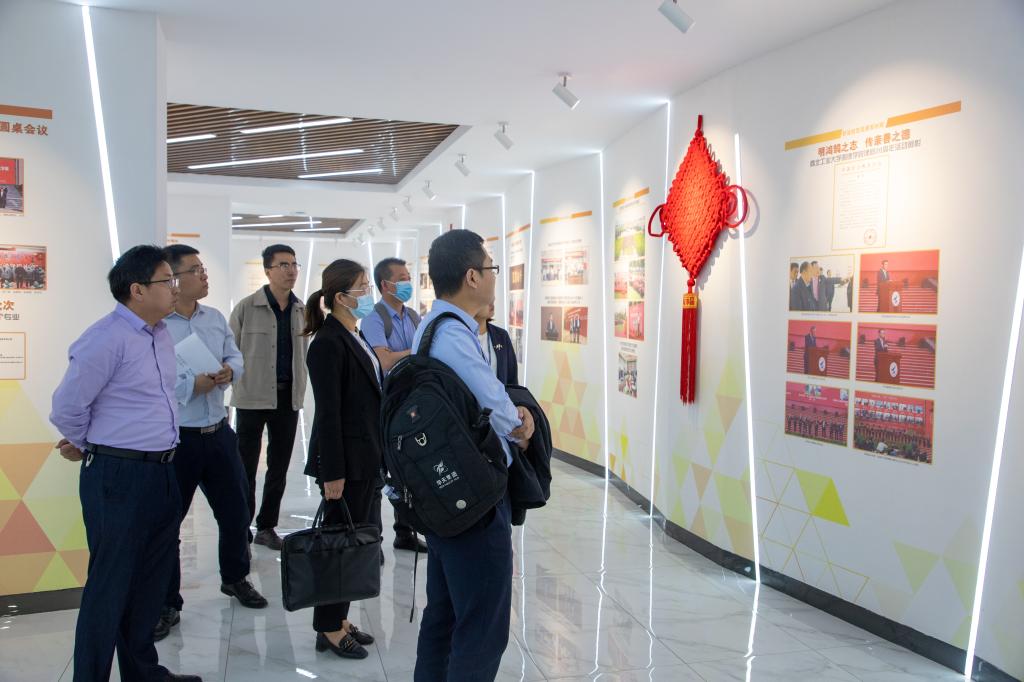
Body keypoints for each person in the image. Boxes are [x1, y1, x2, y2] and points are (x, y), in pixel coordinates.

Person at [50, 245, 201, 682]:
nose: (175, 289)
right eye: (167, 281)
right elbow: (67, 407)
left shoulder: (161, 334)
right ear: (137, 290)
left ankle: (142, 672)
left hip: (163, 471)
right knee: (109, 587)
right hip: (118, 477)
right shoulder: (105, 338)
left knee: (149, 585)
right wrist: (92, 445)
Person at [412, 230, 535, 682]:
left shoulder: (432, 326)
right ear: (472, 277)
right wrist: (522, 425)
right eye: (491, 268)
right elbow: (497, 407)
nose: (494, 277)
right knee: (482, 628)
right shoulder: (453, 335)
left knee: (445, 617)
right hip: (473, 501)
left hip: (446, 493)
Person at [154, 245, 267, 643]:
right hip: (177, 439)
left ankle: (235, 578)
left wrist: (228, 372)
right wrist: (192, 386)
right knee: (169, 523)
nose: (204, 275)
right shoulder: (157, 327)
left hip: (218, 432)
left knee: (236, 512)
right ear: (174, 279)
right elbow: (154, 381)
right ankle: (167, 602)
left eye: (204, 268)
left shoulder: (215, 318)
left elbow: (235, 357)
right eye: (196, 270)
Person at [303, 259, 383, 660]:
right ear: (340, 297)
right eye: (362, 288)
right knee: (339, 545)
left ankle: (340, 617)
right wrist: (332, 473)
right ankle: (329, 627)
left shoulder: (355, 333)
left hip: (366, 457)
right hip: (345, 464)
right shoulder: (327, 343)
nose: (368, 295)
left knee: (354, 542)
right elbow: (329, 414)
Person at [230, 244, 308, 550]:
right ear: (267, 271)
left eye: (294, 264)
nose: (291, 271)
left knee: (279, 468)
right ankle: (241, 527)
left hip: (288, 399)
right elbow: (230, 351)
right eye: (283, 265)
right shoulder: (247, 308)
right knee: (245, 469)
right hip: (252, 397)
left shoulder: (302, 310)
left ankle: (267, 526)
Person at [360, 257, 426, 554]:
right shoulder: (374, 319)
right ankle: (373, 540)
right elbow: (384, 361)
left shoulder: (412, 316)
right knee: (382, 471)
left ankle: (406, 532)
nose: (408, 282)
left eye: (408, 276)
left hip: (415, 402)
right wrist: (414, 353)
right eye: (402, 278)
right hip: (387, 404)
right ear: (386, 285)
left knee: (410, 468)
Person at [474, 301, 518, 385]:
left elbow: (512, 379)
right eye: (486, 298)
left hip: (501, 393)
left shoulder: (502, 335)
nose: (491, 302)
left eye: (492, 298)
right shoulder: (461, 337)